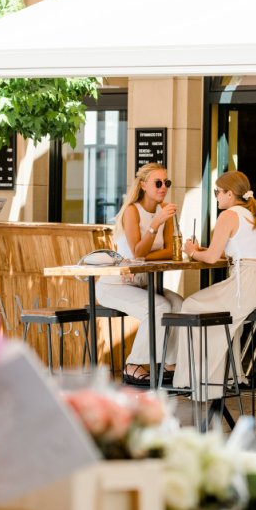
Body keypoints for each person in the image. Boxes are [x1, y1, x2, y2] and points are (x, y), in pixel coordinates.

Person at [174, 170, 256, 399]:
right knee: (227, 318)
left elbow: (212, 258)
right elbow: (224, 251)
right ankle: (232, 375)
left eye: (217, 192)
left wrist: (193, 252)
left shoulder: (229, 215)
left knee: (190, 305)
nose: (216, 197)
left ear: (230, 193)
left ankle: (195, 381)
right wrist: (199, 250)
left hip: (249, 284)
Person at [96, 163, 184, 386]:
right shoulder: (132, 211)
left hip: (143, 282)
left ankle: (169, 363)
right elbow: (137, 251)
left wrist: (147, 255)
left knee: (179, 304)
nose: (163, 187)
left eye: (166, 183)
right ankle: (133, 364)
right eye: (158, 183)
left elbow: (172, 252)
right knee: (160, 307)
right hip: (115, 285)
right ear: (144, 185)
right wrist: (155, 224)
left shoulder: (166, 211)